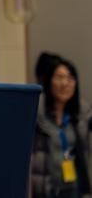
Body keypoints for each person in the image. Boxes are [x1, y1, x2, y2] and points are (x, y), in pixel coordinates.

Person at [32, 56, 92, 198]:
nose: (65, 83)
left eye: (70, 78)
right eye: (59, 77)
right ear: (49, 81)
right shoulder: (36, 111)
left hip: (74, 189)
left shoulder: (81, 113)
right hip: (44, 189)